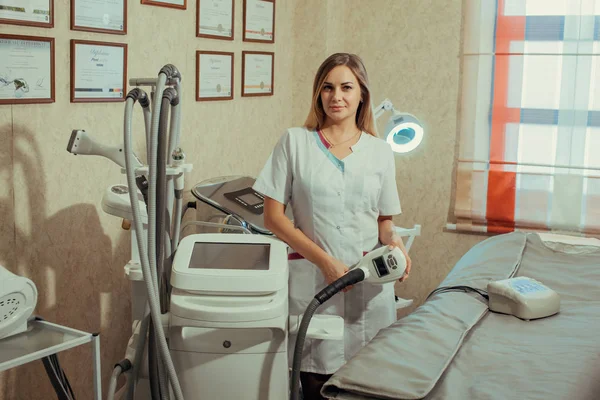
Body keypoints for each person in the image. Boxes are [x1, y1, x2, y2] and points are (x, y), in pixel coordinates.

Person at [252, 52, 412, 400]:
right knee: (314, 382)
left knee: (367, 385)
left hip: (368, 288)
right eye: (327, 87)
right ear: (317, 93)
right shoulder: (294, 142)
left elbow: (385, 219)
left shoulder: (380, 151)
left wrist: (395, 242)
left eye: (346, 87)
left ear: (362, 95)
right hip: (314, 285)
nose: (336, 96)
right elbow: (273, 217)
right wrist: (325, 263)